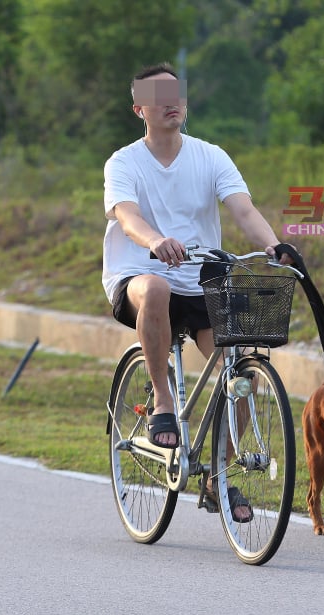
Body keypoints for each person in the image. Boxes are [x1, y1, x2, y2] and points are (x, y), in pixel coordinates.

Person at [102, 62, 291, 521]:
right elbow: (125, 215)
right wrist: (154, 241)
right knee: (157, 287)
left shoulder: (210, 155)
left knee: (241, 375)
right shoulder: (124, 162)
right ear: (139, 108)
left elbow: (243, 209)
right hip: (141, 273)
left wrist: (273, 244)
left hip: (204, 278)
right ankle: (163, 404)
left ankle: (217, 476)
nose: (173, 102)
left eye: (178, 94)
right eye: (159, 95)